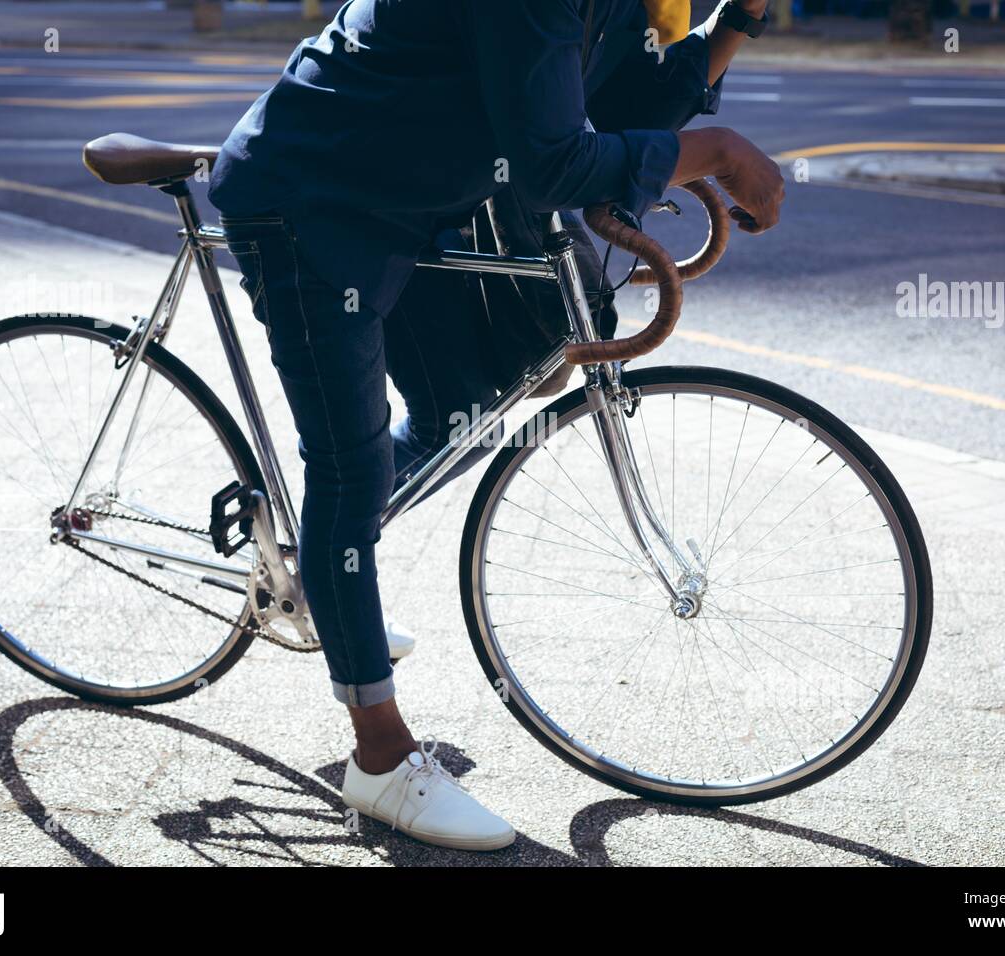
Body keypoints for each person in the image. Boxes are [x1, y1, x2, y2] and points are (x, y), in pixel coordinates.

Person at [209, 0, 784, 852]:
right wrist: (724, 151)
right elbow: (554, 165)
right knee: (348, 466)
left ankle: (326, 577)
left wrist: (740, 17)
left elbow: (619, 110)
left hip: (418, 203)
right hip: (314, 202)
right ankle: (379, 754)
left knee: (460, 408)